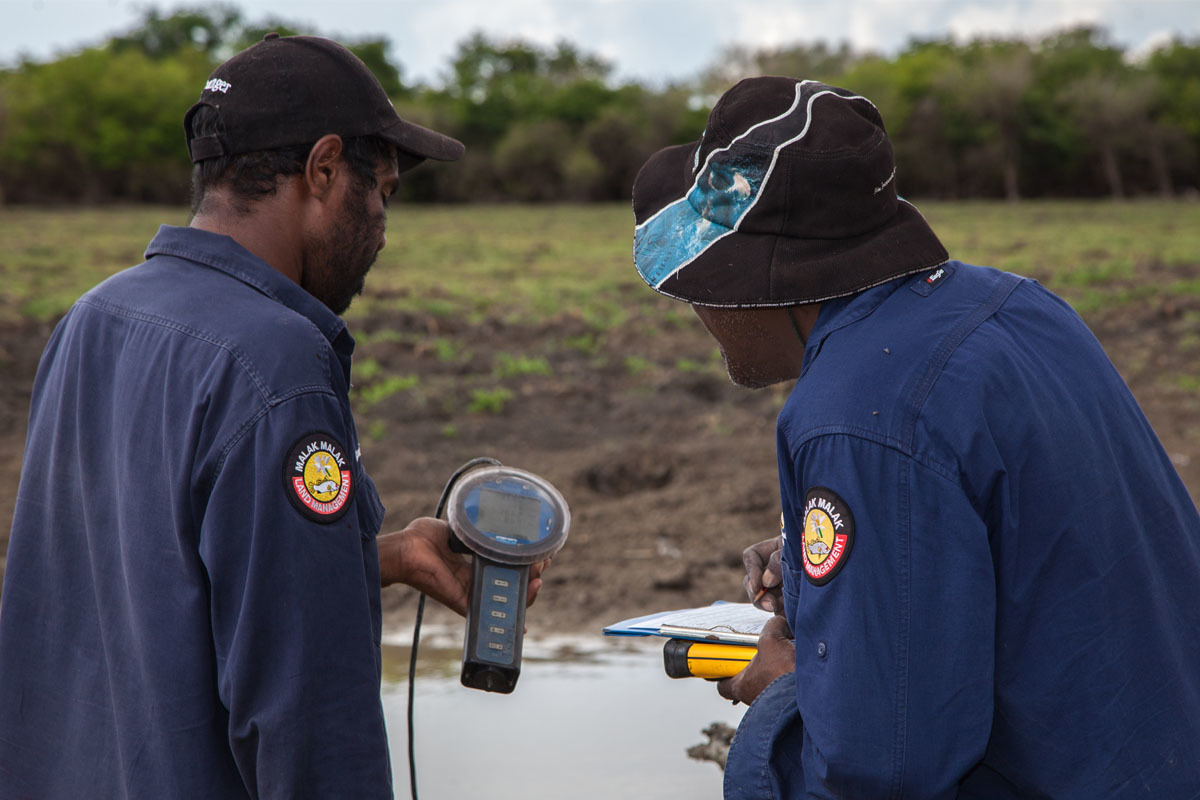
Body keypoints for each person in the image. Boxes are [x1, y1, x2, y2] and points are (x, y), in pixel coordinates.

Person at [0, 35, 542, 798]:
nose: (383, 221)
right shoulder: (277, 363)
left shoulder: (93, 318)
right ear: (322, 170)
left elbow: (148, 571)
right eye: (380, 189)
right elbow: (305, 714)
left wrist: (381, 556)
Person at [631, 76, 1200, 798]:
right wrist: (821, 568)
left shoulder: (855, 415)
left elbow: (880, 767)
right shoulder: (1019, 307)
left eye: (697, 279)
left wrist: (782, 695)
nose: (693, 306)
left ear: (766, 275)